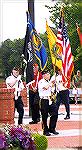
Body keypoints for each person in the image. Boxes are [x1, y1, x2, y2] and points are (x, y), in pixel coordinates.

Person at [38, 70, 59, 136]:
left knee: (55, 113)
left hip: (50, 99)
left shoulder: (48, 82)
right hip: (44, 100)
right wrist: (50, 83)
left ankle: (52, 128)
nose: (49, 75)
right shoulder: (41, 82)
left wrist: (54, 85)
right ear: (43, 75)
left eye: (49, 74)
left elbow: (52, 90)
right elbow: (45, 88)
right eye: (47, 74)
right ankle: (45, 130)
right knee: (44, 116)